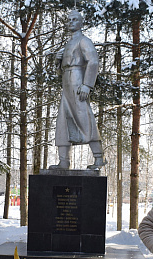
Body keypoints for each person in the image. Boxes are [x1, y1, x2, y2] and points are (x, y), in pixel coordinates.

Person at [49, 10, 105, 170]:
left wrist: (87, 85)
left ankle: (99, 158)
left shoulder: (84, 41)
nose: (71, 22)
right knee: (62, 121)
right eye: (69, 20)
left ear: (81, 23)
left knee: (84, 117)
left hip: (78, 80)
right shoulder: (68, 43)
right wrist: (59, 61)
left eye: (75, 19)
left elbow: (93, 62)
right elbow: (61, 69)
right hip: (67, 82)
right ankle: (64, 161)